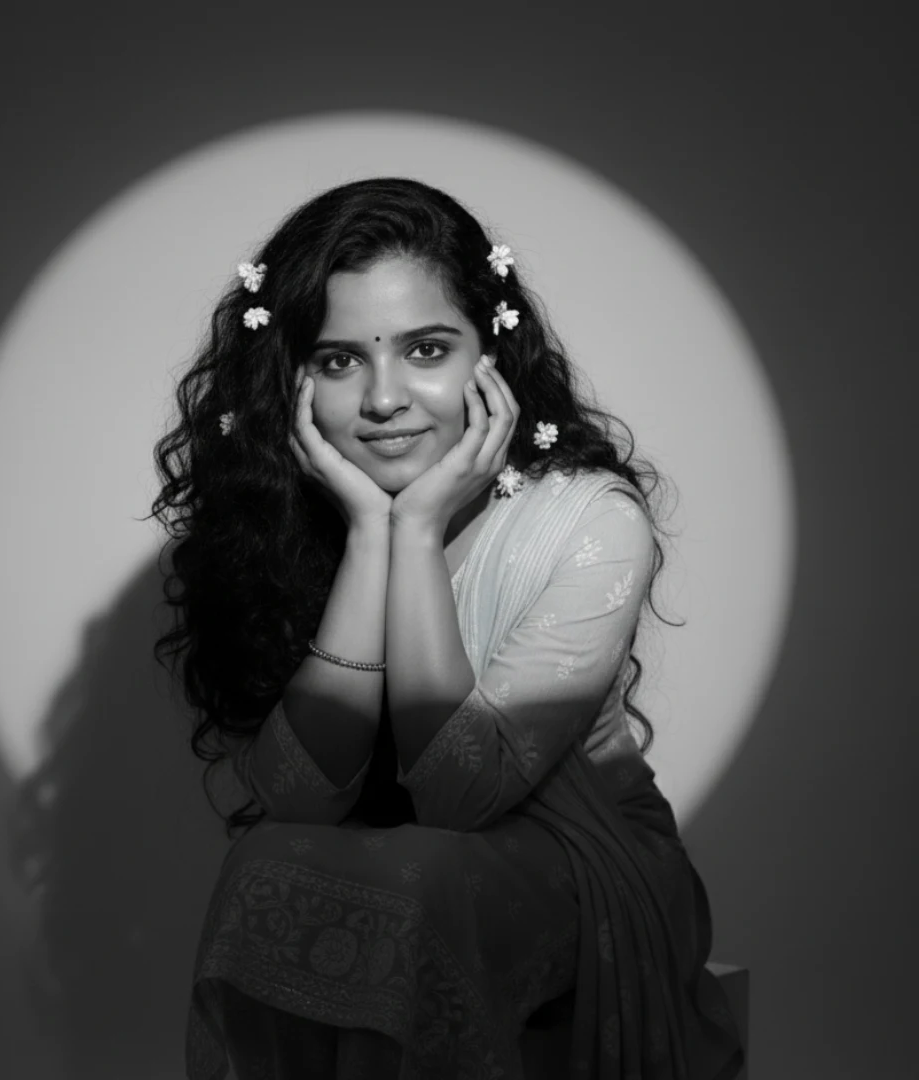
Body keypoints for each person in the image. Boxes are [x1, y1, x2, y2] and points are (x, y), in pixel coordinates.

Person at [149, 177, 745, 1079]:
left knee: (422, 881)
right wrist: (369, 534)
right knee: (270, 860)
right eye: (340, 360)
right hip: (406, 871)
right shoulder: (291, 521)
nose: (384, 398)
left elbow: (460, 799)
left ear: (491, 354)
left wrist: (420, 528)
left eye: (426, 349)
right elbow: (300, 801)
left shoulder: (588, 518)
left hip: (582, 870)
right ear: (294, 377)